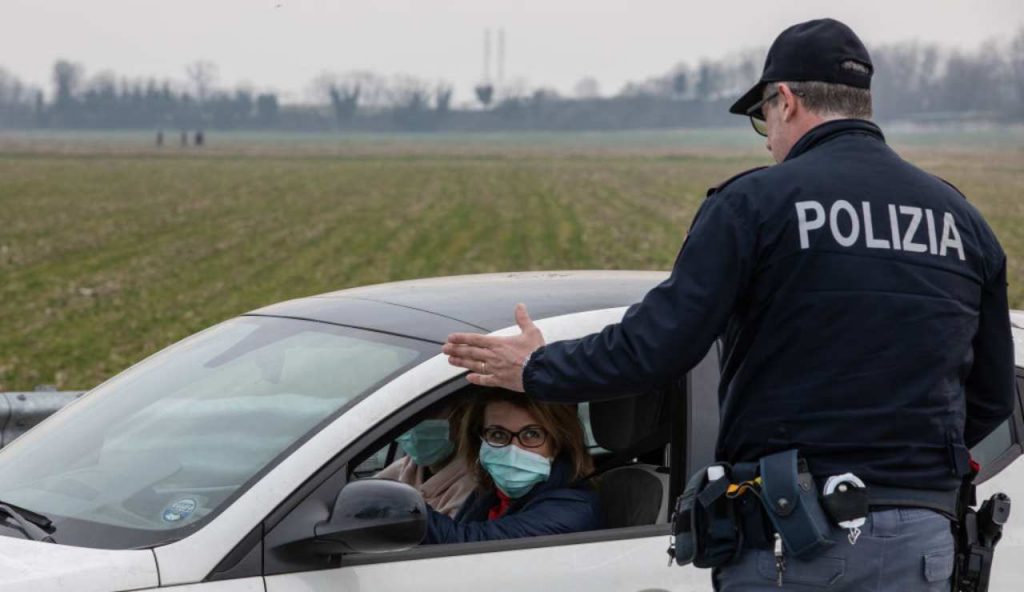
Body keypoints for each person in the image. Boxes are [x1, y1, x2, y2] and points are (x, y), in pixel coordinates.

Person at [442, 18, 1015, 591]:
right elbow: (990, 396)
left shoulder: (755, 204)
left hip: (799, 541)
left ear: (784, 101)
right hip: (922, 542)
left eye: (761, 118)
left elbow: (655, 348)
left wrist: (537, 369)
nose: (766, 138)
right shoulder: (960, 219)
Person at [423, 389, 600, 543]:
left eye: (532, 434)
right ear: (480, 441)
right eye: (498, 434)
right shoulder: (489, 495)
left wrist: (407, 511)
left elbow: (466, 544)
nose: (513, 450)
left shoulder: (572, 510)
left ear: (557, 444)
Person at [376, 400, 475, 517]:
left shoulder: (471, 489)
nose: (413, 426)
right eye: (405, 415)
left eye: (428, 412)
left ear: (460, 417)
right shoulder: (405, 467)